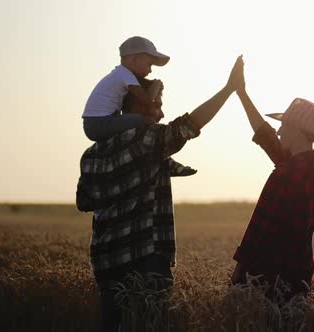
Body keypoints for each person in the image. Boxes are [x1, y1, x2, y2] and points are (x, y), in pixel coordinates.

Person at [76, 55, 244, 332]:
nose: (161, 115)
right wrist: (229, 89)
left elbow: (84, 202)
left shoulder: (91, 155)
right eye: (157, 107)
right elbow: (189, 125)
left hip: (106, 263)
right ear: (137, 107)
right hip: (146, 262)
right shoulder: (146, 139)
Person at [231, 72, 314, 306]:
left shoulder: (287, 174)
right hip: (298, 276)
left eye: (284, 127)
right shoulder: (311, 167)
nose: (279, 132)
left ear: (298, 131)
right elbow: (266, 136)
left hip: (269, 277)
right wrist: (242, 93)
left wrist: (239, 270)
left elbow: (260, 226)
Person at [82, 35, 195, 177]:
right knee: (147, 122)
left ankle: (166, 161)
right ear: (134, 60)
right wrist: (157, 84)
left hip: (94, 123)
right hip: (100, 123)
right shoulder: (125, 75)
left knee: (135, 132)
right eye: (149, 65)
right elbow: (147, 99)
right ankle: (167, 161)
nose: (150, 70)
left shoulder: (119, 74)